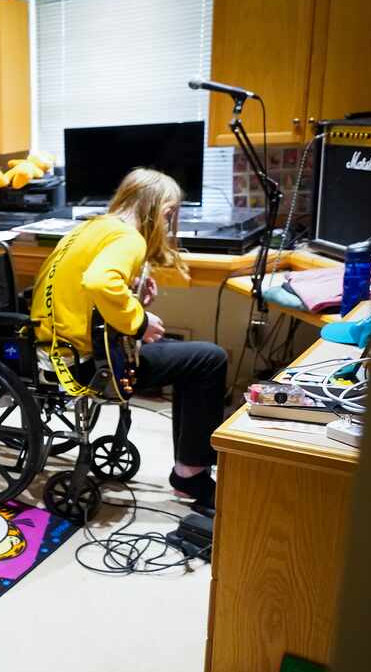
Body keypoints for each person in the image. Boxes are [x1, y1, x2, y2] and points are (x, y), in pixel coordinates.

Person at [29, 167, 228, 505]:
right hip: (81, 365)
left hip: (49, 348)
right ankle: (190, 475)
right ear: (160, 210)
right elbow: (99, 282)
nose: (167, 227)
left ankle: (188, 468)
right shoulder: (128, 237)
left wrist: (132, 294)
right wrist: (139, 320)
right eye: (168, 217)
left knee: (189, 359)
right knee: (209, 360)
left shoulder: (91, 227)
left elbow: (83, 291)